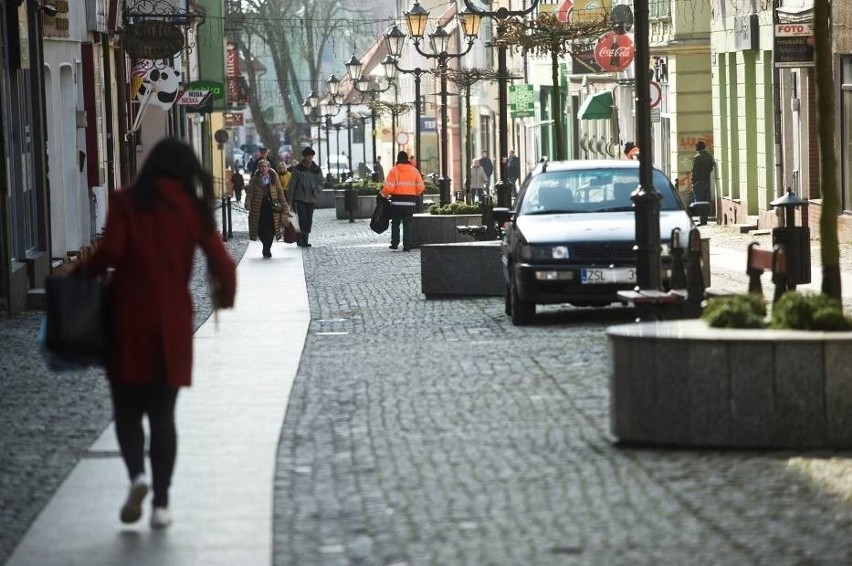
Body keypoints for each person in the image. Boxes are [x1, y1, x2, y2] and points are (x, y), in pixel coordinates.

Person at [69, 137, 237, 529]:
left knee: (126, 409)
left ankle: (137, 478)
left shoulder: (127, 201)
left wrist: (76, 278)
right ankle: (161, 505)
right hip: (173, 324)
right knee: (163, 414)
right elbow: (223, 264)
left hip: (126, 320)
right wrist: (224, 299)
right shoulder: (192, 208)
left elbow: (109, 254)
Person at [381, 150, 425, 251]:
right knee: (407, 223)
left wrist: (382, 195)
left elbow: (389, 188)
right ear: (407, 159)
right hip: (410, 202)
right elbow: (421, 186)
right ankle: (407, 245)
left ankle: (395, 243)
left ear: (398, 159)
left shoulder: (394, 171)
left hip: (397, 202)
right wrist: (414, 194)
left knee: (395, 222)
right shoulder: (414, 171)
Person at [246, 159, 288, 257]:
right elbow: (250, 193)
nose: (263, 168)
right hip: (258, 208)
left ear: (268, 168)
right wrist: (248, 203)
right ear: (258, 168)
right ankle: (265, 244)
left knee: (271, 228)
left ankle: (267, 248)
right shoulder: (254, 180)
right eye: (261, 166)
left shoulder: (274, 178)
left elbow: (280, 192)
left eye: (265, 166)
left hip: (271, 208)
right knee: (260, 229)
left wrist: (285, 205)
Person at [288, 146, 324, 247]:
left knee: (309, 219)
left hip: (312, 198)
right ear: (305, 157)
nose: (310, 158)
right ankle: (301, 238)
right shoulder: (298, 169)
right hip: (300, 197)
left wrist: (316, 189)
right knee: (302, 217)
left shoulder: (316, 169)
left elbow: (321, 182)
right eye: (308, 156)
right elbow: (292, 184)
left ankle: (305, 238)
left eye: (311, 156)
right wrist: (290, 200)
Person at [691, 140, 716, 225]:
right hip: (707, 181)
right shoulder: (709, 156)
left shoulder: (697, 157)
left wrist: (693, 182)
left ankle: (701, 221)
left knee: (699, 201)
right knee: (706, 201)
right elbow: (710, 168)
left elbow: (695, 171)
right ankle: (704, 220)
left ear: (697, 148)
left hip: (698, 182)